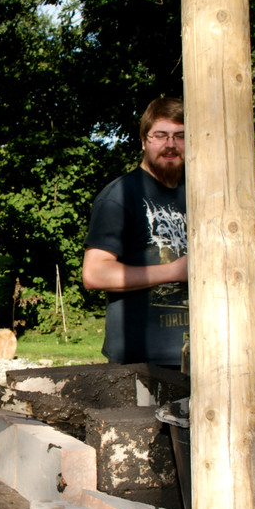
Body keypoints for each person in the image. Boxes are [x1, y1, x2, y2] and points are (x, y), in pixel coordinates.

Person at [82, 97, 189, 367]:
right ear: (143, 141)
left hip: (204, 354)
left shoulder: (201, 192)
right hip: (142, 363)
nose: (170, 145)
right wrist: (175, 271)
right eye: (160, 136)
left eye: (180, 136)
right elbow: (95, 273)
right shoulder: (120, 196)